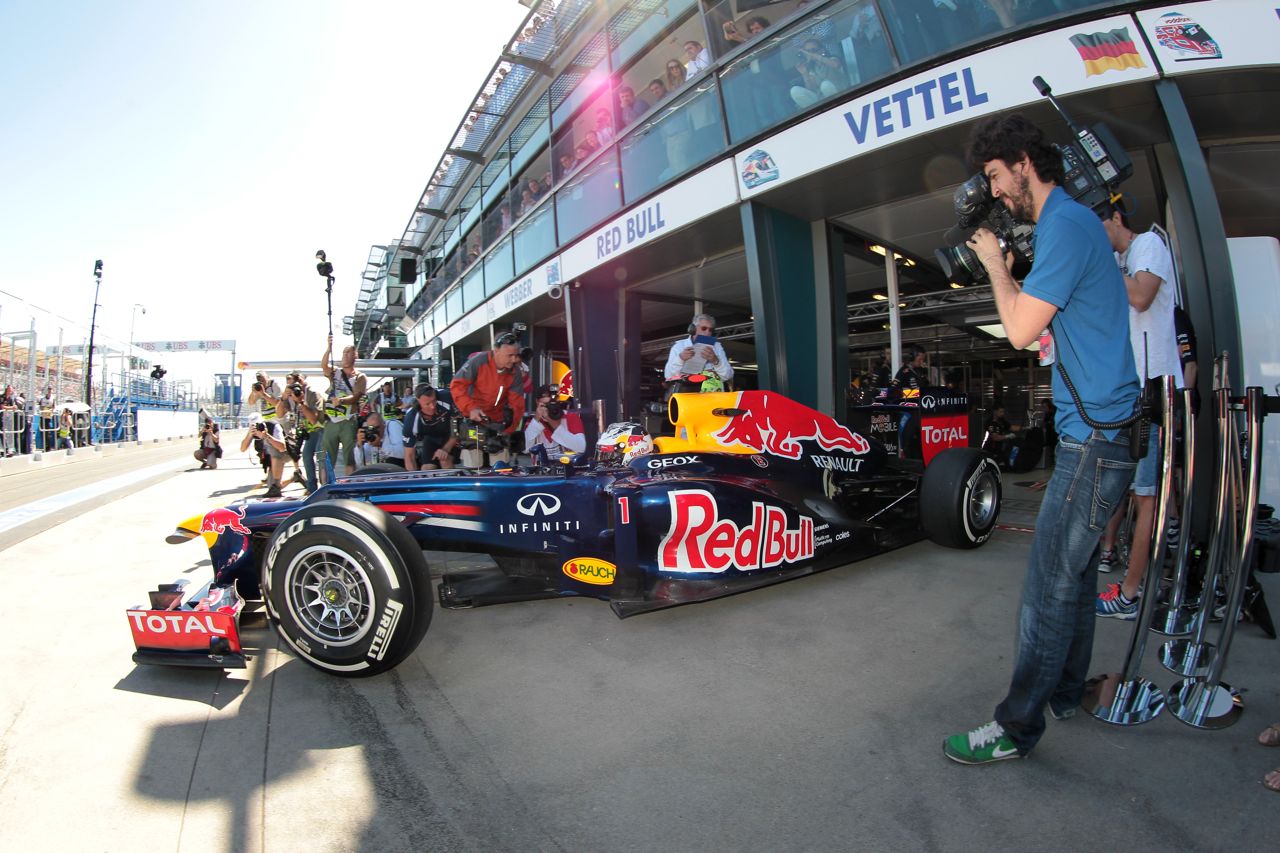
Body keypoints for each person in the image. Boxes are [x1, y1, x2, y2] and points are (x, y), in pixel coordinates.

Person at [943, 113, 1139, 765]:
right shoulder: (1074, 225)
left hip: (1096, 441)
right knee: (1075, 577)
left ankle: (1016, 726)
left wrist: (997, 265)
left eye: (997, 176)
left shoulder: (1064, 224)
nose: (996, 192)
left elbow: (1022, 330)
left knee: (1048, 585)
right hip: (1097, 436)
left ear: (1024, 161)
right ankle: (1063, 691)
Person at [1094, 207, 1181, 619]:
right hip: (1131, 394)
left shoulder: (1148, 244)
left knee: (1146, 498)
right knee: (1126, 491)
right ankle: (1122, 573)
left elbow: (1143, 296)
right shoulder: (1119, 262)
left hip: (1155, 393)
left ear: (1115, 216)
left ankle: (1129, 596)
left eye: (1100, 227)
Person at [449, 332, 525, 434]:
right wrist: (471, 408)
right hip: (473, 420)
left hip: (497, 424)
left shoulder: (515, 373)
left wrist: (509, 431)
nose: (514, 359)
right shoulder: (478, 361)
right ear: (496, 350)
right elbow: (457, 386)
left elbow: (517, 405)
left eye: (516, 355)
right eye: (510, 355)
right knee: (471, 450)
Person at [320, 334, 368, 477]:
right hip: (332, 421)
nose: (345, 356)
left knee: (350, 459)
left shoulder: (360, 377)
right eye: (344, 353)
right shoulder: (335, 372)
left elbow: (356, 397)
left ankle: (349, 487)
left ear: (355, 356)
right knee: (327, 459)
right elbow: (323, 365)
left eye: (349, 353)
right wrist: (329, 348)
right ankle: (325, 486)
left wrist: (341, 401)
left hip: (348, 421)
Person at [525, 384, 586, 463]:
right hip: (541, 473)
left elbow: (581, 448)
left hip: (568, 471)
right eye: (545, 405)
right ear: (537, 403)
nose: (548, 409)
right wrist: (536, 419)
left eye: (551, 404)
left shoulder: (570, 417)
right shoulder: (533, 422)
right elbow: (526, 448)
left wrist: (554, 423)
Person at [664, 313, 733, 383]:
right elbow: (668, 376)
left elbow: (728, 376)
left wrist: (716, 361)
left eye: (711, 330)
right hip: (689, 392)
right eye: (704, 328)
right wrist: (680, 359)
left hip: (712, 393)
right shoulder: (679, 346)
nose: (707, 332)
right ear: (693, 329)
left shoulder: (717, 347)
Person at [403, 384, 457, 470]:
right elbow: (409, 455)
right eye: (427, 404)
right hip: (431, 438)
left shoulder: (447, 397)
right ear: (418, 401)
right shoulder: (411, 418)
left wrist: (446, 449)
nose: (432, 406)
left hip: (451, 434)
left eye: (434, 401)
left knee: (445, 461)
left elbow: (459, 427)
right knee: (426, 469)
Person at [240, 411, 288, 498]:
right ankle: (294, 478)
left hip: (286, 454)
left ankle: (276, 486)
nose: (258, 427)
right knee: (271, 486)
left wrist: (266, 436)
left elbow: (282, 447)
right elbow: (242, 449)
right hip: (270, 460)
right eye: (254, 425)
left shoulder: (273, 426)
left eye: (259, 424)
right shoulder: (253, 432)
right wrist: (249, 435)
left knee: (275, 487)